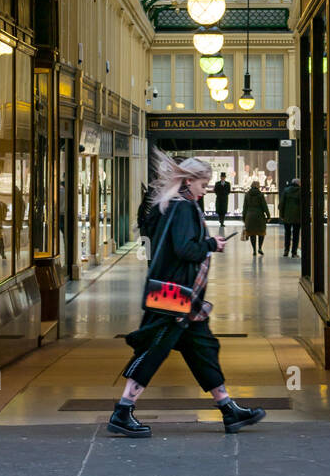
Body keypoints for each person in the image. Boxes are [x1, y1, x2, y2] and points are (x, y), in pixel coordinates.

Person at [109, 150, 266, 439]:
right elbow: (184, 249)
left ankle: (228, 408)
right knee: (153, 350)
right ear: (190, 181)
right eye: (203, 185)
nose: (204, 190)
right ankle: (122, 411)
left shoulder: (172, 204)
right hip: (173, 295)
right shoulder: (182, 207)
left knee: (204, 349)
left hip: (183, 296)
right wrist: (211, 244)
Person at [242, 180, 270, 256]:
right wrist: (268, 216)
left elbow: (245, 207)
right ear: (258, 186)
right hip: (259, 215)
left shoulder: (247, 194)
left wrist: (244, 217)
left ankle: (254, 250)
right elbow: (264, 206)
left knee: (252, 233)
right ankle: (260, 248)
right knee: (261, 232)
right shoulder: (260, 195)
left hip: (250, 216)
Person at [279, 177, 301, 257]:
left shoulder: (286, 190)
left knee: (287, 233)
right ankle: (294, 252)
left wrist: (281, 215)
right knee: (296, 234)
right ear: (298, 184)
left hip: (287, 216)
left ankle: (286, 250)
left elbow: (281, 204)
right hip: (297, 217)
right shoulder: (300, 191)